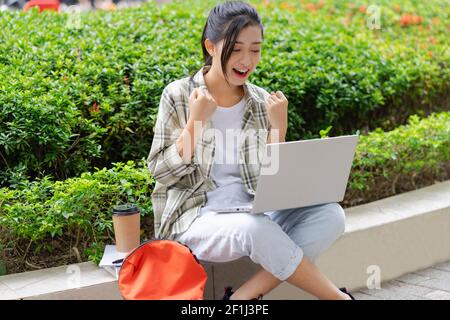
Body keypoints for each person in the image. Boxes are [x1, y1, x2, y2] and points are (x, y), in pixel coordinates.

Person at [147, 1, 354, 300]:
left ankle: (242, 297)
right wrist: (195, 122)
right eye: (236, 49)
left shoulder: (260, 101)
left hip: (251, 208)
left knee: (331, 216)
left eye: (255, 50)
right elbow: (160, 171)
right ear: (211, 46)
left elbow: (272, 178)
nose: (246, 60)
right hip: (195, 217)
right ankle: (338, 298)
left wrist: (277, 130)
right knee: (255, 229)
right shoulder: (179, 94)